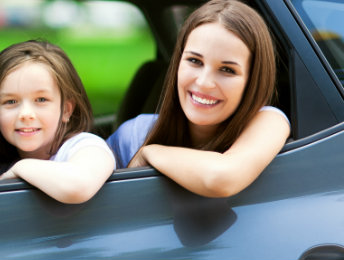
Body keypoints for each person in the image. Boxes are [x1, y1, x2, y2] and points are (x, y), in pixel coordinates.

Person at [106, 0, 290, 198]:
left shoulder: (269, 121)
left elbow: (220, 178)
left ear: (252, 80)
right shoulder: (134, 135)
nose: (204, 83)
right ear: (178, 63)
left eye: (227, 70)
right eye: (194, 61)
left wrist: (148, 153)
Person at [0, 40, 115, 204]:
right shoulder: (2, 168)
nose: (25, 114)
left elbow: (78, 186)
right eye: (11, 101)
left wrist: (22, 167)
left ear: (66, 110)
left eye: (41, 99)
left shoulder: (85, 147)